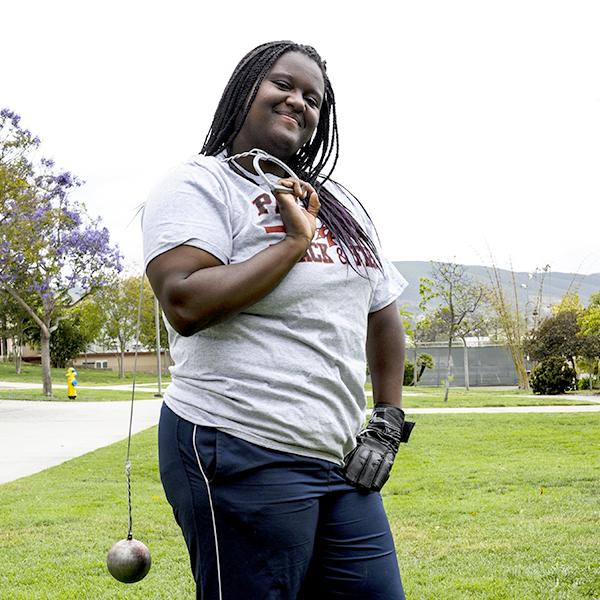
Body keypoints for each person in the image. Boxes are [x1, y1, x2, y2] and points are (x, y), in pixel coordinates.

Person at [143, 40, 414, 600]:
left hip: (337, 459)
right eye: (283, 85)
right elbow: (185, 302)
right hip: (236, 442)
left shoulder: (337, 204)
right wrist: (294, 242)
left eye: (313, 99)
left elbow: (383, 314)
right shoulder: (201, 183)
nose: (299, 102)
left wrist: (387, 421)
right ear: (245, 89)